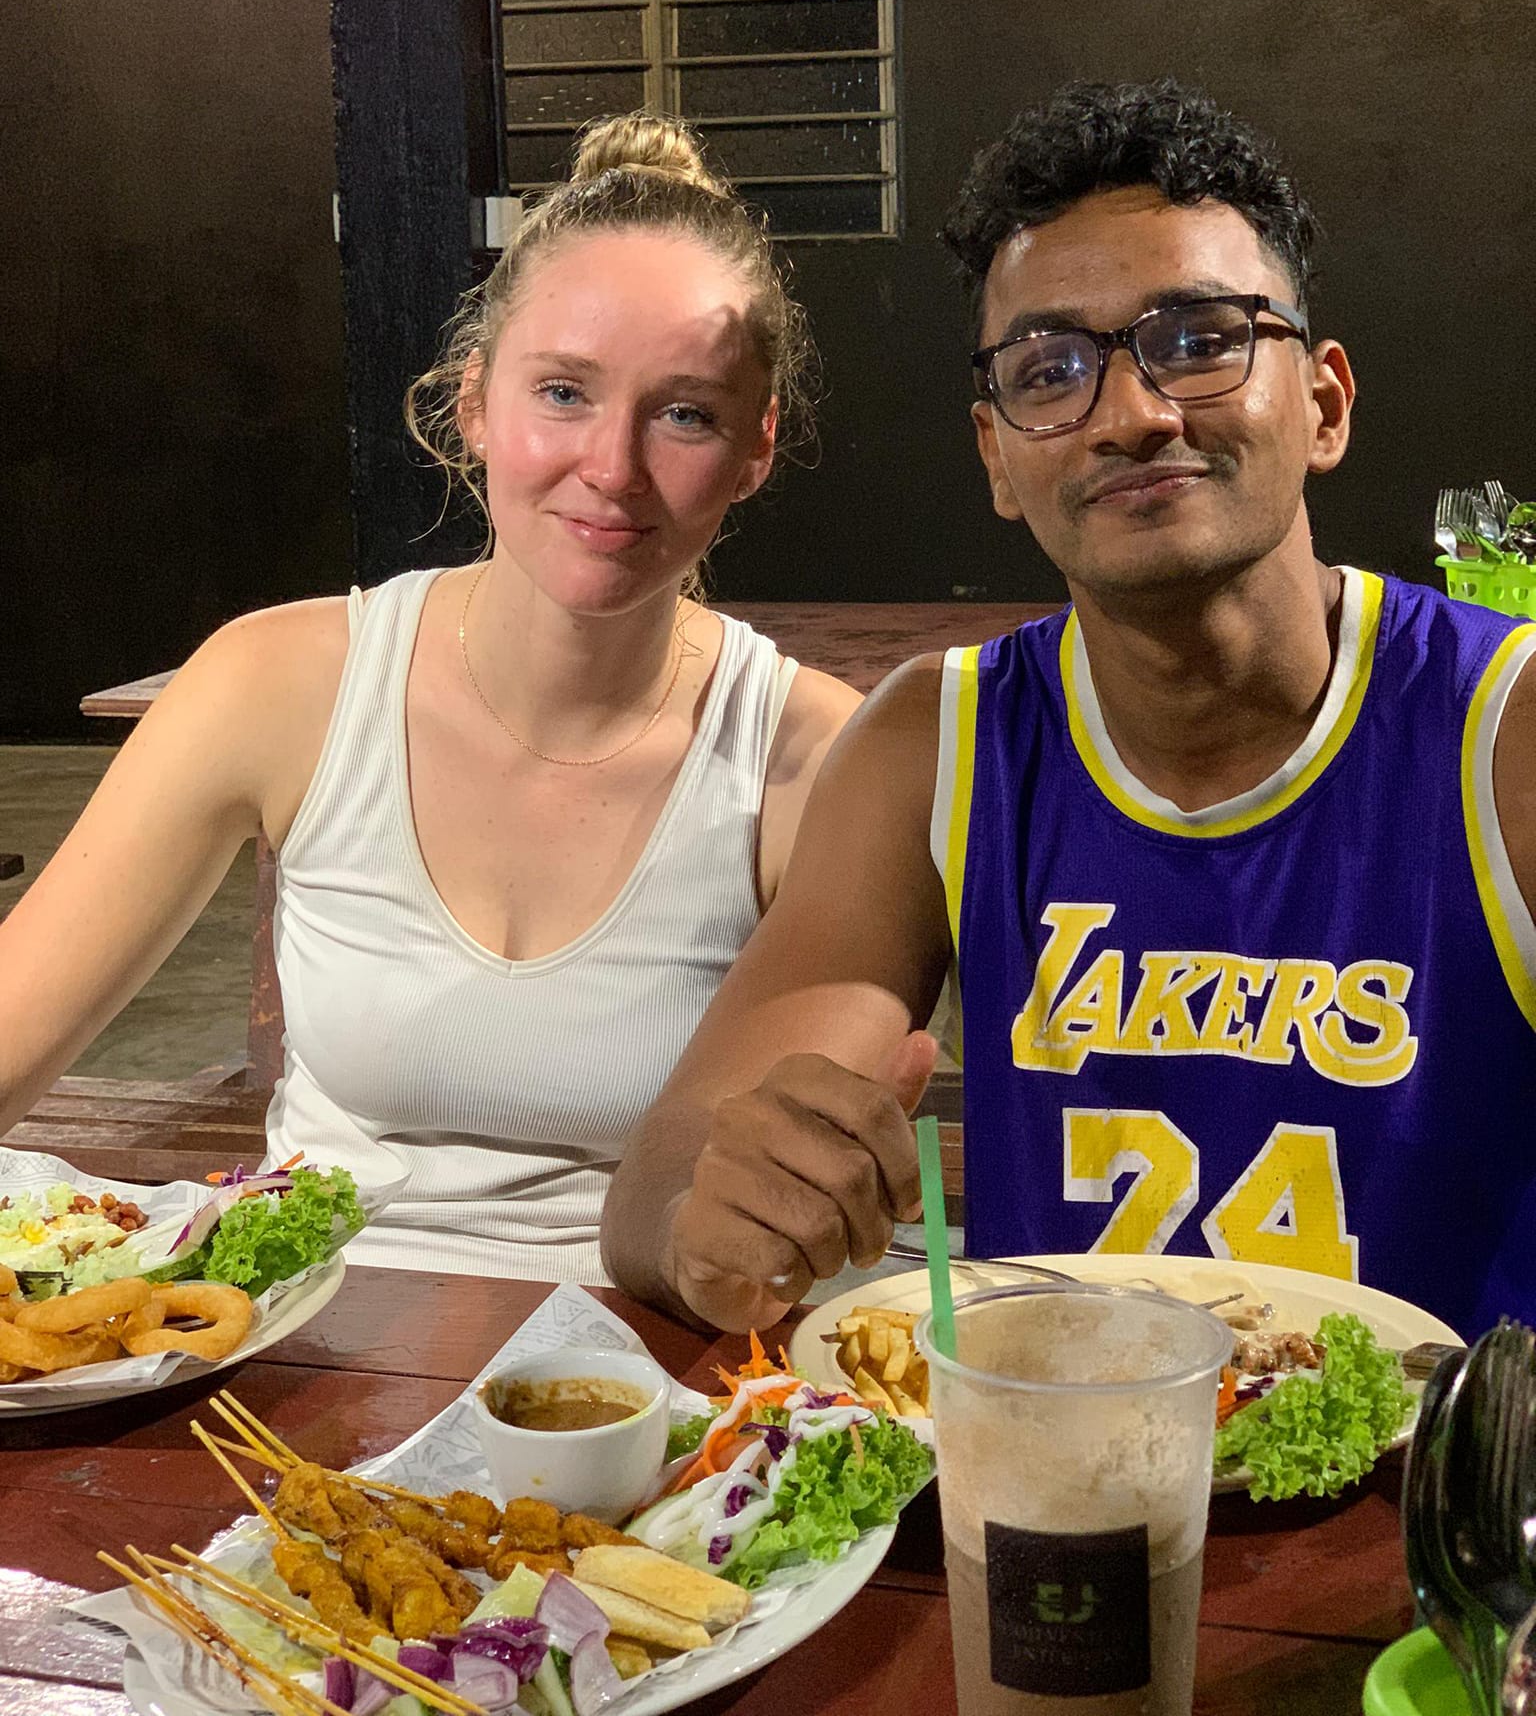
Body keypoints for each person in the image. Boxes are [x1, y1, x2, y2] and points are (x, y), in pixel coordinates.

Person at [604, 78, 1536, 1341]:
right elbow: (659, 1187)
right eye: (1053, 370)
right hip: (1065, 1500)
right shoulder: (938, 743)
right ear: (998, 454)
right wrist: (716, 1219)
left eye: (1201, 339)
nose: (1135, 415)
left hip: (1430, 1518)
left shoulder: (1504, 728)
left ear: (1323, 403)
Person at [0, 114, 860, 1280]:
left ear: (756, 449)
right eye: (563, 391)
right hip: (295, 1363)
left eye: (686, 412)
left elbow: (798, 1199)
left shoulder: (810, 756)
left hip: (660, 1390)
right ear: (474, 403)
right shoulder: (275, 682)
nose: (611, 466)